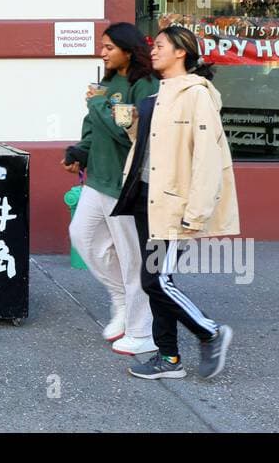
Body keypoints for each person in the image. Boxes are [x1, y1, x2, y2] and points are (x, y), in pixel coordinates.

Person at [115, 25, 239, 380]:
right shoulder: (160, 94)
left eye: (160, 46)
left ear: (181, 52)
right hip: (146, 199)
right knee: (155, 279)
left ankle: (210, 333)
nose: (153, 51)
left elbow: (207, 157)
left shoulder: (196, 95)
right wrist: (131, 125)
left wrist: (196, 211)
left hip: (173, 205)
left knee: (156, 281)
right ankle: (168, 357)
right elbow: (151, 148)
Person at [63, 23, 160, 356]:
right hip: (98, 180)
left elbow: (127, 134)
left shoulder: (144, 84)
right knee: (83, 237)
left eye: (108, 48)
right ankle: (121, 299)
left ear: (128, 51)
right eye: (101, 47)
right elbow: (95, 129)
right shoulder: (105, 83)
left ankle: (141, 331)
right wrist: (80, 151)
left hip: (126, 185)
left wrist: (99, 105)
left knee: (133, 258)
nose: (101, 53)